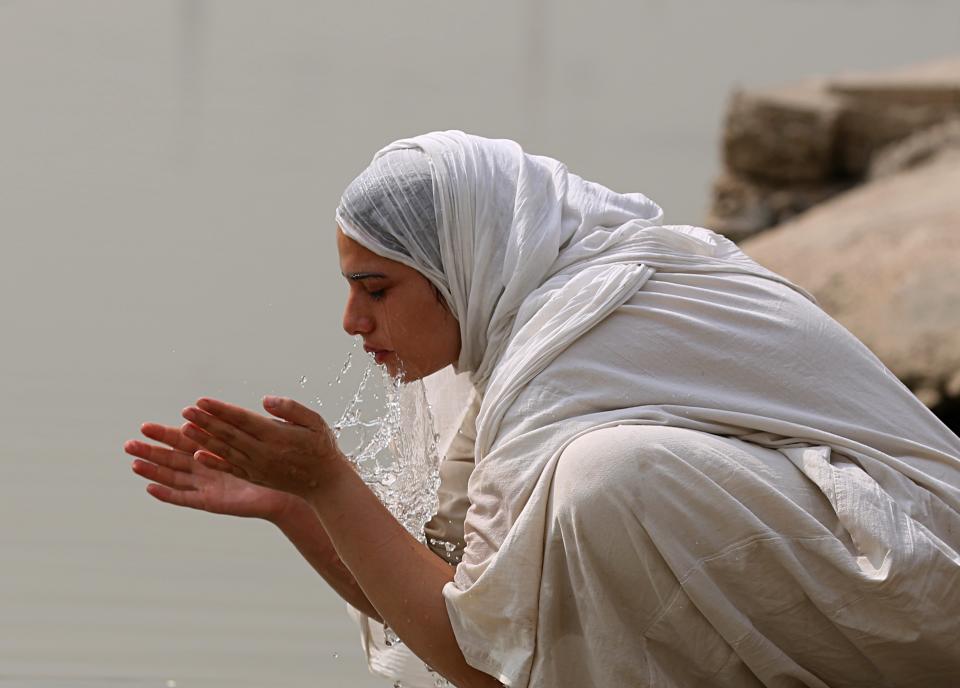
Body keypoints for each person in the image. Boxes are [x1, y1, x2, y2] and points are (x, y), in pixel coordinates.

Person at [125, 131, 960, 688]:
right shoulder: (516, 311)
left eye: (376, 290)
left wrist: (332, 482)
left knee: (602, 481)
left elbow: (478, 658)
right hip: (857, 565)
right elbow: (456, 595)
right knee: (577, 507)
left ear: (460, 266)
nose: (353, 323)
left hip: (923, 584)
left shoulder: (564, 350)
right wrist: (302, 504)